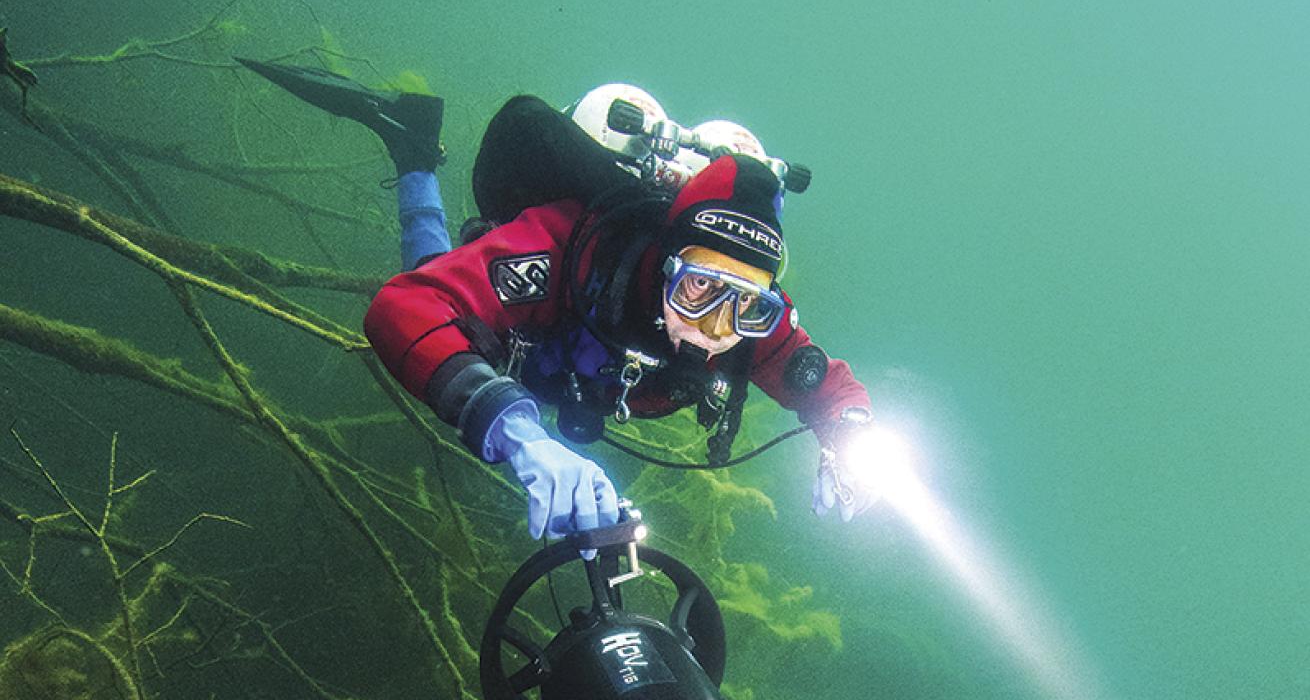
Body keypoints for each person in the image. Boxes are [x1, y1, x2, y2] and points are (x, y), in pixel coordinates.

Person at [237, 61, 880, 543]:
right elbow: (404, 308)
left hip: (581, 388)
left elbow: (830, 385)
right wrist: (515, 432)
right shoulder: (568, 241)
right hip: (530, 359)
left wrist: (848, 435)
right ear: (666, 261)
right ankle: (413, 148)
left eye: (750, 307)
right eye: (698, 287)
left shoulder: (747, 314)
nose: (718, 327)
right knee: (435, 270)